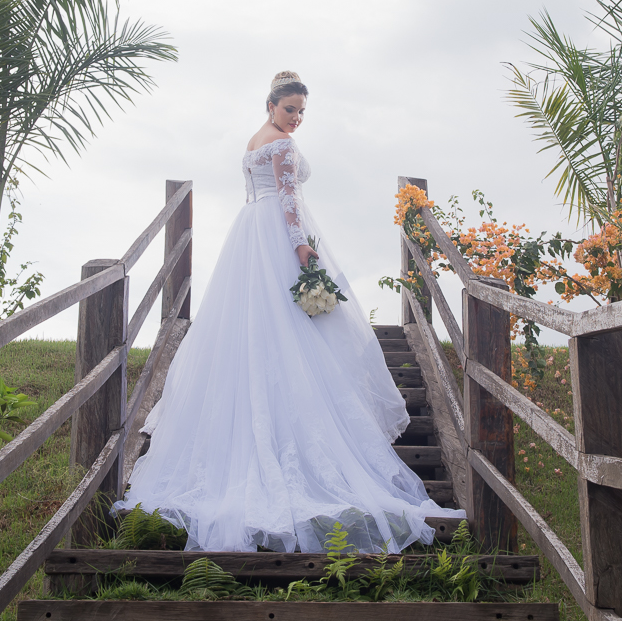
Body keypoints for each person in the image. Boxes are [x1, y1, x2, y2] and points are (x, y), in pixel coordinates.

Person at [114, 71, 462, 553]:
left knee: (257, 330)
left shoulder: (255, 140)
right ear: (272, 105)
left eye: (301, 112)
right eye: (289, 110)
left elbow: (264, 193)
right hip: (277, 234)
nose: (296, 119)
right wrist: (302, 249)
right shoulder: (279, 146)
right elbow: (289, 198)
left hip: (249, 233)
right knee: (295, 329)